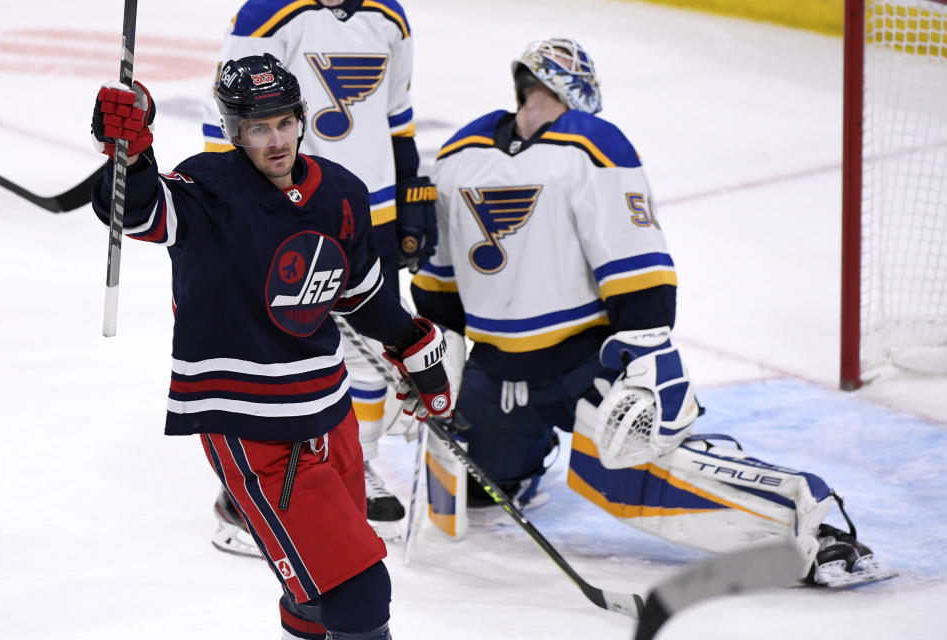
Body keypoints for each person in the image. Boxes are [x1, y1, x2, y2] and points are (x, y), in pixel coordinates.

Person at [410, 38, 893, 587]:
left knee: (639, 481)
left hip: (583, 366)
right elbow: (439, 280)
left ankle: (813, 531)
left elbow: (634, 268)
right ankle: (521, 455)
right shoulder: (499, 151)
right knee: (476, 488)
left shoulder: (497, 149)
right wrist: (433, 364)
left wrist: (645, 361)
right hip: (496, 376)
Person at [90, 53, 452, 640]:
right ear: (235, 133)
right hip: (252, 427)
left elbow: (360, 296)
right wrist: (130, 150)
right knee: (360, 592)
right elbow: (135, 210)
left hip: (332, 415)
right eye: (258, 128)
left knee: (315, 593)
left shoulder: (340, 192)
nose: (276, 140)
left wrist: (415, 347)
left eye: (284, 122)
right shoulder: (208, 190)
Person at [201, 0, 437, 546]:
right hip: (285, 212)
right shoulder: (267, 14)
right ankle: (243, 492)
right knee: (272, 352)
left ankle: (359, 464)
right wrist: (228, 213)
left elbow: (397, 116)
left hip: (367, 211)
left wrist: (413, 195)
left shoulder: (390, 17)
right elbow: (230, 121)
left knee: (373, 352)